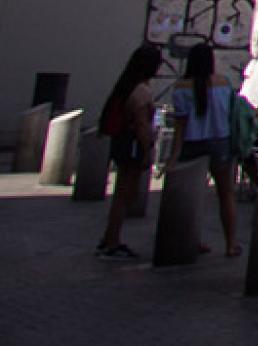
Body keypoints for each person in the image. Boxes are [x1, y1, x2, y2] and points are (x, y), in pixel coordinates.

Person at [167, 42, 241, 256]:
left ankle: (192, 238)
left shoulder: (181, 88)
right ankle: (230, 243)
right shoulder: (223, 84)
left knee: (193, 194)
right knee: (225, 193)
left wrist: (173, 156)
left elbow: (180, 125)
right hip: (220, 139)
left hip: (192, 141)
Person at [95, 43, 164, 260]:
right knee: (125, 194)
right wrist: (147, 151)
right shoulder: (142, 91)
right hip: (133, 144)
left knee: (122, 193)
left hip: (122, 142)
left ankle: (109, 237)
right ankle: (112, 241)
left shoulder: (126, 86)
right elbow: (143, 125)